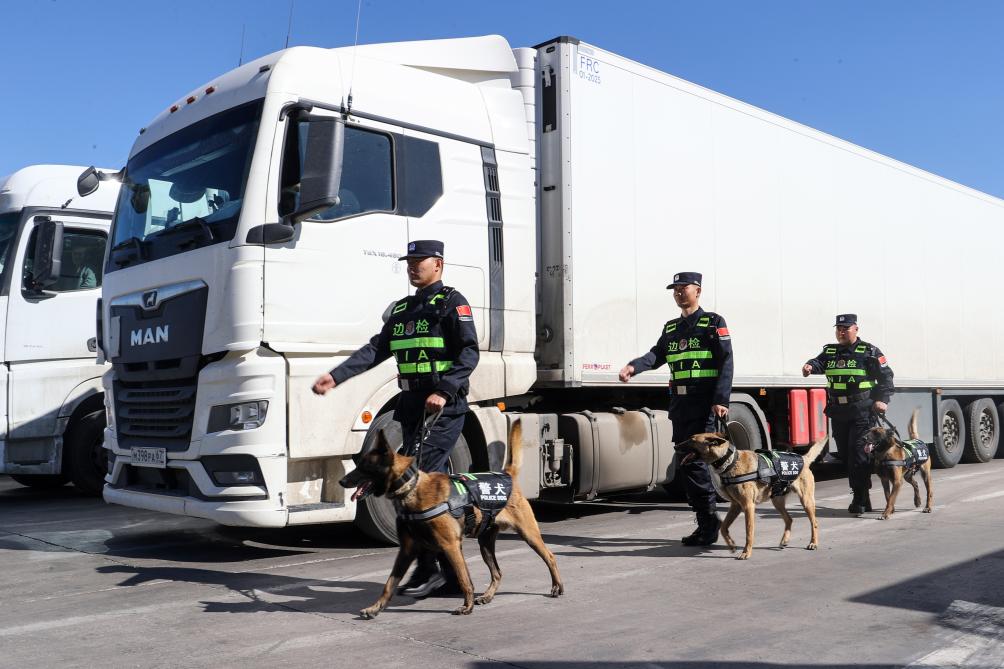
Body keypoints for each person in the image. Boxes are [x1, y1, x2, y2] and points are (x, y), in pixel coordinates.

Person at [312, 239, 479, 596]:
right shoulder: (403, 309)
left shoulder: (452, 302)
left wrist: (444, 389)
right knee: (413, 488)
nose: (412, 266)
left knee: (419, 484)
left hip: (442, 407)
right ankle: (442, 574)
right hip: (411, 405)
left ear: (438, 264)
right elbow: (376, 349)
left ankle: (434, 570)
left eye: (420, 261)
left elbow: (469, 353)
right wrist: (337, 376)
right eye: (409, 261)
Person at [619, 271, 733, 546]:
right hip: (681, 406)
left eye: (684, 288)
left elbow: (726, 361)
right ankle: (706, 521)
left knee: (694, 462)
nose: (679, 292)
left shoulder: (713, 322)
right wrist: (634, 366)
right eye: (675, 289)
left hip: (704, 405)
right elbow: (656, 355)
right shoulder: (671, 328)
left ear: (698, 291)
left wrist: (721, 399)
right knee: (686, 462)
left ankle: (708, 522)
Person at [802, 314, 895, 515]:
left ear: (856, 329)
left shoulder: (869, 352)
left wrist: (882, 400)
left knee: (858, 454)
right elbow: (819, 363)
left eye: (845, 328)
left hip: (862, 411)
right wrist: (809, 366)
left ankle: (859, 497)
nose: (841, 332)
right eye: (839, 329)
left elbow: (886, 377)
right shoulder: (831, 352)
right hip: (839, 412)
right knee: (845, 454)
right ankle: (863, 495)